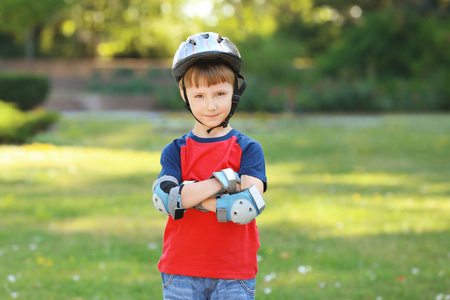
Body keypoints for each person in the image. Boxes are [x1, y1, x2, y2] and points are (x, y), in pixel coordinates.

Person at [152, 32, 267, 300]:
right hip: (180, 269)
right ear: (185, 94)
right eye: (200, 95)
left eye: (220, 93)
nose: (211, 105)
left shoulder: (248, 148)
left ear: (234, 92)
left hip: (234, 272)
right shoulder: (175, 150)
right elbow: (165, 199)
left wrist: (189, 196)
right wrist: (224, 181)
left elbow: (245, 208)